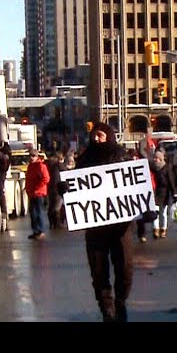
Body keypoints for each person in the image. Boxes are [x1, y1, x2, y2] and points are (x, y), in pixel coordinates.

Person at [74, 121, 133, 322]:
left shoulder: (122, 156)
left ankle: (121, 301)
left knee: (125, 267)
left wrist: (146, 210)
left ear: (109, 136)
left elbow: (136, 184)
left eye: (100, 135)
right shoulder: (85, 159)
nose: (96, 139)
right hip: (95, 225)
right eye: (94, 136)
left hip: (121, 225)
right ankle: (107, 308)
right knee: (98, 270)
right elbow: (74, 186)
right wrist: (65, 189)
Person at [150, 149, 177, 240]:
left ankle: (163, 229)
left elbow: (171, 181)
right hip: (154, 192)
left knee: (163, 212)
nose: (155, 160)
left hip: (164, 192)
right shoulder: (152, 168)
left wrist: (174, 194)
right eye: (154, 158)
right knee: (155, 212)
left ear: (161, 159)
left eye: (157, 158)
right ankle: (156, 229)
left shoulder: (166, 168)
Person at [25, 148, 50, 240]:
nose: (31, 158)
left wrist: (38, 187)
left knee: (39, 212)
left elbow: (46, 178)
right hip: (32, 193)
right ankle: (35, 231)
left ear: (37, 157)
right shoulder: (30, 166)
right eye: (30, 156)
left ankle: (41, 231)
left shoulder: (41, 166)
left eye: (33, 156)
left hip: (39, 193)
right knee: (33, 213)